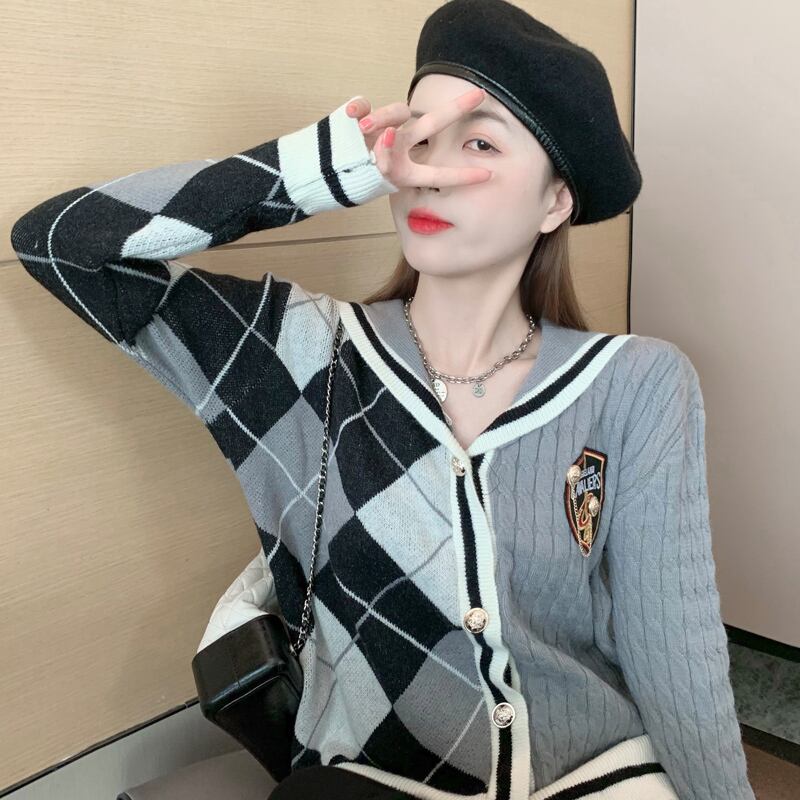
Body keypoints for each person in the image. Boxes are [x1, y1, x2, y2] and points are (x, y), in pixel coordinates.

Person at [10, 1, 755, 798]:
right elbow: (59, 244)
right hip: (372, 782)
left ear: (555, 202)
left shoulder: (637, 383)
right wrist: (321, 170)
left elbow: (673, 649)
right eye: (419, 139)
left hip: (594, 777)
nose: (427, 171)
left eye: (478, 142)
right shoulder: (294, 351)